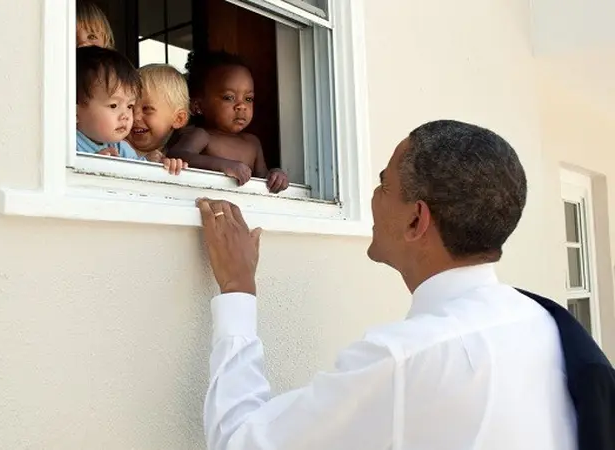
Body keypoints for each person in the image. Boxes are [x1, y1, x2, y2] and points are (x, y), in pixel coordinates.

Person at [195, 120, 576, 450]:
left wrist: (237, 289)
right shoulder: (541, 322)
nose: (374, 198)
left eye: (383, 186)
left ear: (416, 221)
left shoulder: (404, 359)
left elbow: (239, 441)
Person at [167, 51, 289, 193]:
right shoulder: (202, 135)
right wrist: (222, 165)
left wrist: (276, 175)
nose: (241, 106)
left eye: (248, 99)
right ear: (198, 106)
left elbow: (262, 178)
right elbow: (177, 155)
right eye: (229, 97)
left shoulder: (252, 143)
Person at [76, 46, 186, 174]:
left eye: (129, 106)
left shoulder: (121, 148)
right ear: (75, 113)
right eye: (113, 105)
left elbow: (140, 176)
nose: (127, 116)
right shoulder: (65, 144)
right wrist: (90, 166)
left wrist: (162, 166)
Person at [127, 64, 190, 163]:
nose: (135, 117)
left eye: (147, 109)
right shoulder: (111, 147)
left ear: (178, 119)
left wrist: (173, 169)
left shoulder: (176, 157)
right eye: (130, 107)